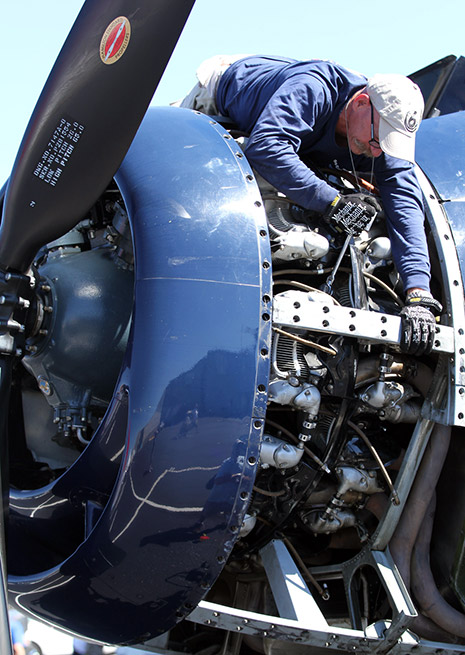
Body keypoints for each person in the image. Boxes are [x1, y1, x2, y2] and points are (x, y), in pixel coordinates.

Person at [178, 55, 441, 355]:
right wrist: (333, 202)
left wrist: (418, 293)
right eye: (377, 138)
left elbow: (406, 206)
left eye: (386, 144)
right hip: (218, 97)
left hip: (301, 142)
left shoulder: (381, 133)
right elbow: (266, 147)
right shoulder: (313, 88)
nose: (376, 149)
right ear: (361, 103)